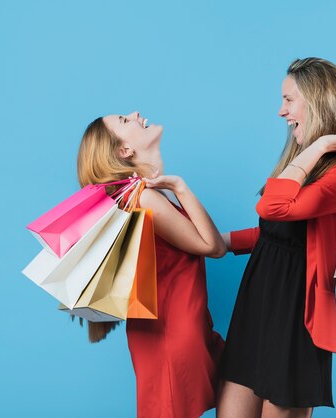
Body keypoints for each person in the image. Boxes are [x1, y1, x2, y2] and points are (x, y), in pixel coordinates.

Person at [217, 57, 336, 418]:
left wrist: (318, 147)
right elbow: (279, 234)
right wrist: (222, 243)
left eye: (288, 99)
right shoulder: (305, 162)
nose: (281, 112)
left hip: (297, 317)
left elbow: (274, 209)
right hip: (256, 306)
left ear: (317, 102)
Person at [76, 112, 226, 418]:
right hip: (171, 337)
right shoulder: (145, 199)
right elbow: (212, 247)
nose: (135, 115)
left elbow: (190, 244)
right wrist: (180, 187)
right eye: (124, 120)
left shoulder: (138, 197)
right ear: (124, 151)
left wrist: (264, 237)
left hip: (177, 332)